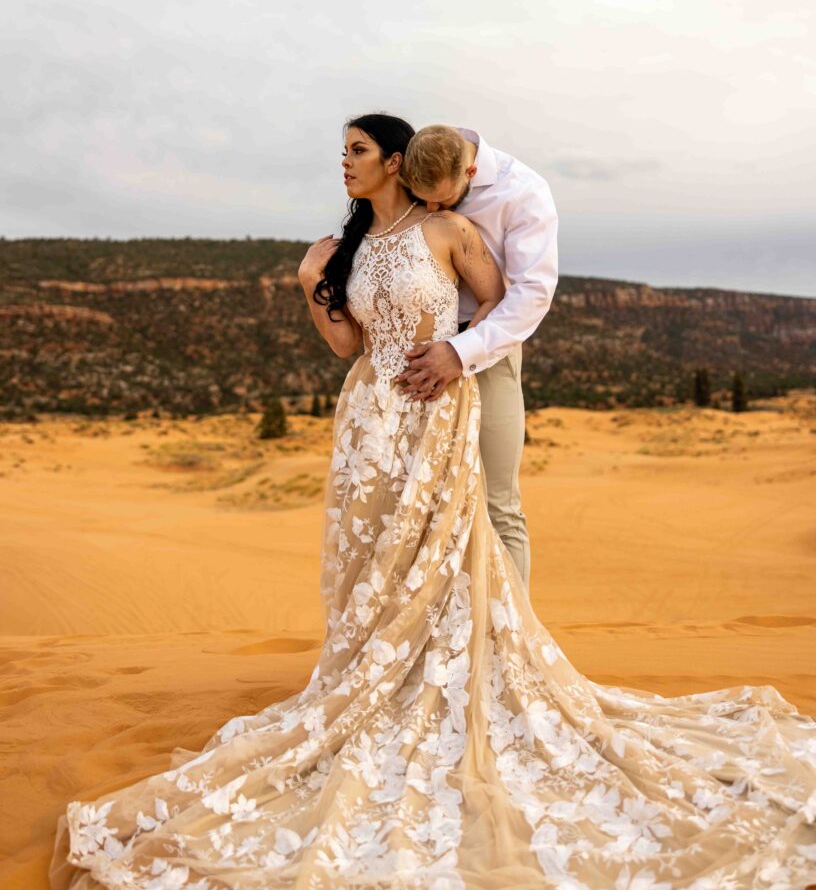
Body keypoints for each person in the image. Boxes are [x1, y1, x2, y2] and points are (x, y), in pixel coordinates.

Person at [49, 113, 816, 890]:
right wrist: (314, 287)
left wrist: (455, 361)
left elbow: (507, 302)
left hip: (447, 397)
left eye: (356, 151)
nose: (343, 164)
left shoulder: (456, 226)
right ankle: (370, 681)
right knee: (369, 556)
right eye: (340, 152)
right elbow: (346, 346)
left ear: (395, 161)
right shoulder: (335, 249)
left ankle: (485, 667)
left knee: (460, 534)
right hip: (366, 421)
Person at [395, 124, 559, 593]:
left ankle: (512, 644)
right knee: (418, 502)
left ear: (469, 169)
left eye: (441, 202)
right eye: (419, 198)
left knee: (498, 503)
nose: (429, 212)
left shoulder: (523, 191)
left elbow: (532, 294)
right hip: (412, 357)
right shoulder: (419, 168)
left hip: (485, 347)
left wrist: (459, 351)